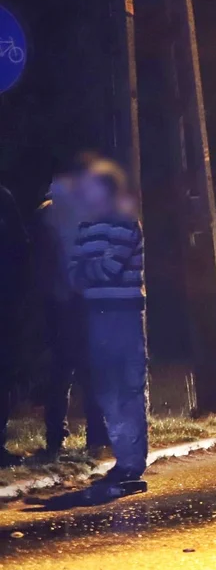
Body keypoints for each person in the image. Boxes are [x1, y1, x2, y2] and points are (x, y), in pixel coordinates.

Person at [69, 163, 148, 489]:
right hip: (96, 315)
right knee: (107, 389)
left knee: (127, 388)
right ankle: (124, 459)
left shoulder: (125, 223)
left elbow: (109, 269)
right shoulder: (86, 227)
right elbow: (73, 273)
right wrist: (91, 269)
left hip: (123, 315)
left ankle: (131, 464)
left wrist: (90, 269)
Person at [34, 153, 110, 458]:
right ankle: (96, 436)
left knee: (61, 370)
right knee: (88, 371)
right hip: (82, 301)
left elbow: (41, 262)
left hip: (59, 300)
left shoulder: (46, 214)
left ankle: (56, 438)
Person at [0, 181, 28, 467]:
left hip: (4, 305)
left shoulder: (4, 198)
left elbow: (22, 251)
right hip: (6, 303)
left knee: (3, 375)